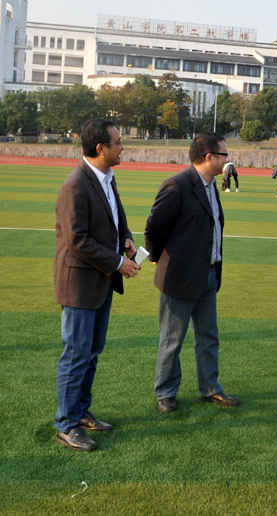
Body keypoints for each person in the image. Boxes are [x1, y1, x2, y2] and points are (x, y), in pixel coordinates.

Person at [54, 118, 140, 451]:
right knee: (76, 354)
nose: (123, 147)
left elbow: (116, 218)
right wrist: (118, 262)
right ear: (101, 148)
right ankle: (67, 424)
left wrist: (126, 239)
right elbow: (77, 240)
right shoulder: (75, 185)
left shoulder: (107, 178)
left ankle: (80, 411)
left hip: (100, 282)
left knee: (91, 352)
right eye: (118, 142)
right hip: (79, 284)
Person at [145, 132, 241, 414]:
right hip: (181, 276)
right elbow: (154, 228)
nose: (227, 159)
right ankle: (166, 393)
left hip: (208, 275)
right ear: (209, 157)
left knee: (209, 336)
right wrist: (157, 257)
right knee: (172, 339)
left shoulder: (211, 185)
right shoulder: (176, 185)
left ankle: (210, 387)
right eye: (224, 154)